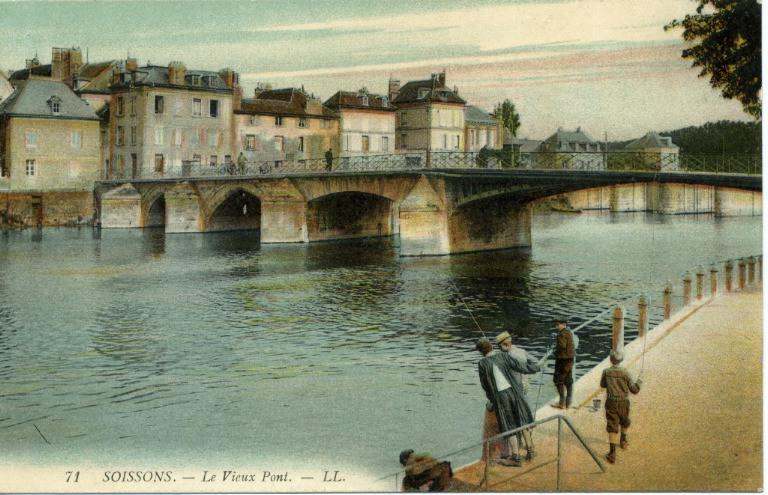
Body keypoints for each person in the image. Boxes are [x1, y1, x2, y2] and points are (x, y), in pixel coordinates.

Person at [476, 338, 540, 467]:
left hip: (501, 397)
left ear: (481, 352)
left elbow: (485, 386)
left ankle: (515, 458)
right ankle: (530, 450)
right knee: (522, 420)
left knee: (509, 425)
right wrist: (536, 367)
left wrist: (492, 400)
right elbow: (520, 367)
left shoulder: (482, 364)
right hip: (515, 392)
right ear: (492, 347)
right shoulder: (504, 356)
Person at [495, 331, 539, 460]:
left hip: (511, 391)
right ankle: (530, 449)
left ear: (503, 344)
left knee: (514, 421)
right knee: (524, 418)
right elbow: (535, 362)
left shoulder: (504, 357)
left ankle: (516, 453)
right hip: (523, 388)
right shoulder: (521, 351)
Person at [600, 350, 641, 464]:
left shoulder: (606, 372)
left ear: (610, 359)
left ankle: (612, 454)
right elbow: (635, 390)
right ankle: (623, 441)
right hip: (623, 402)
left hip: (611, 401)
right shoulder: (625, 372)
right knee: (625, 421)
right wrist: (640, 381)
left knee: (612, 425)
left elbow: (602, 385)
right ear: (621, 360)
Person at [552, 316, 575, 409]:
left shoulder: (561, 334)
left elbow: (562, 345)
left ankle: (561, 403)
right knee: (569, 381)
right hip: (570, 360)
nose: (556, 326)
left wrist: (554, 351)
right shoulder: (569, 332)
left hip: (563, 361)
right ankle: (568, 403)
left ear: (563, 324)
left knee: (558, 381)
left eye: (558, 325)